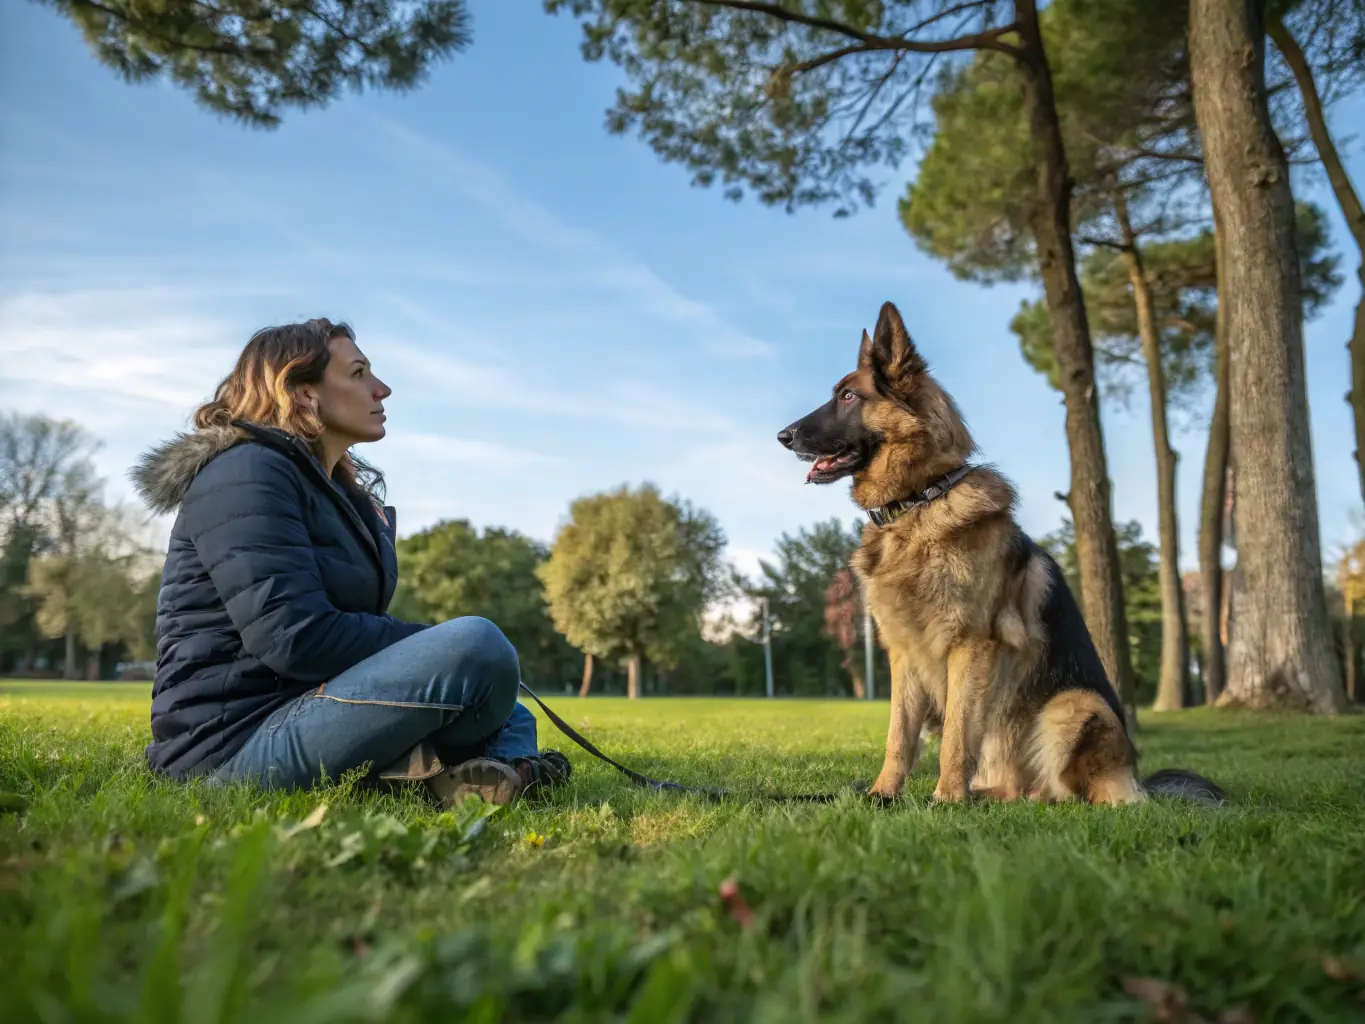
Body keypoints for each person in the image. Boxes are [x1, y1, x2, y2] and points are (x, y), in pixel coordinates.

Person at [131, 318, 570, 805]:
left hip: (302, 709)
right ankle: (491, 771)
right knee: (476, 646)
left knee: (508, 703)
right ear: (301, 393)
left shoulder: (335, 492)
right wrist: (433, 645)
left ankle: (490, 775)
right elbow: (294, 637)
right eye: (359, 374)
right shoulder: (247, 472)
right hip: (228, 747)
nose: (381, 389)